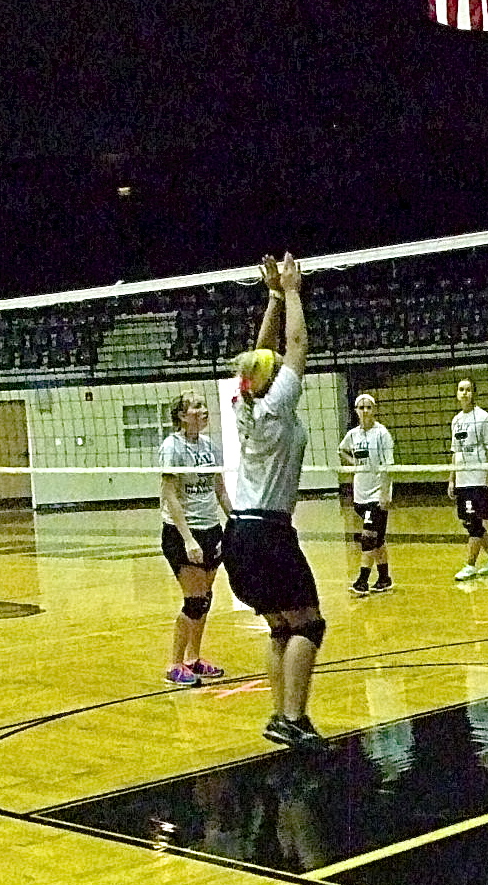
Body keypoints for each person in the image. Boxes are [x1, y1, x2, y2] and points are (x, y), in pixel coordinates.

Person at [223, 253, 330, 750]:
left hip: (239, 534)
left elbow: (261, 352)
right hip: (268, 532)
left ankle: (279, 716)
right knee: (309, 623)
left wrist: (269, 297)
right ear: (271, 379)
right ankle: (294, 718)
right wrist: (291, 291)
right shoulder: (277, 404)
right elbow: (297, 344)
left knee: (281, 627)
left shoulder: (244, 403)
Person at [158, 391, 232, 686]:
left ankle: (194, 659)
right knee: (194, 600)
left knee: (205, 599)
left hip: (211, 529)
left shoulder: (210, 447)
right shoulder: (171, 447)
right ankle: (174, 664)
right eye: (197, 406)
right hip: (182, 533)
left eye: (204, 405)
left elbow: (219, 488)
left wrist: (235, 520)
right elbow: (169, 495)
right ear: (182, 415)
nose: (204, 410)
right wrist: (188, 539)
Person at [448, 377, 488, 580]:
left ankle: (470, 565)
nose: (464, 393)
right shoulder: (456, 420)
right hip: (462, 479)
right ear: (457, 394)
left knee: (473, 521)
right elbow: (455, 452)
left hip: (478, 479)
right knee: (469, 522)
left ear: (474, 393)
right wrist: (452, 479)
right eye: (461, 389)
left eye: (468, 389)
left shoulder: (483, 417)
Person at [339, 393, 395, 595]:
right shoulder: (353, 435)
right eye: (361, 408)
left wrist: (384, 493)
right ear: (356, 411)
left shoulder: (382, 433)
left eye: (368, 407)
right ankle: (384, 579)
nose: (365, 411)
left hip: (376, 495)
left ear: (374, 410)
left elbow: (388, 466)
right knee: (377, 539)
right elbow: (341, 450)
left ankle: (362, 581)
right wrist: (354, 463)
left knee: (368, 537)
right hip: (360, 494)